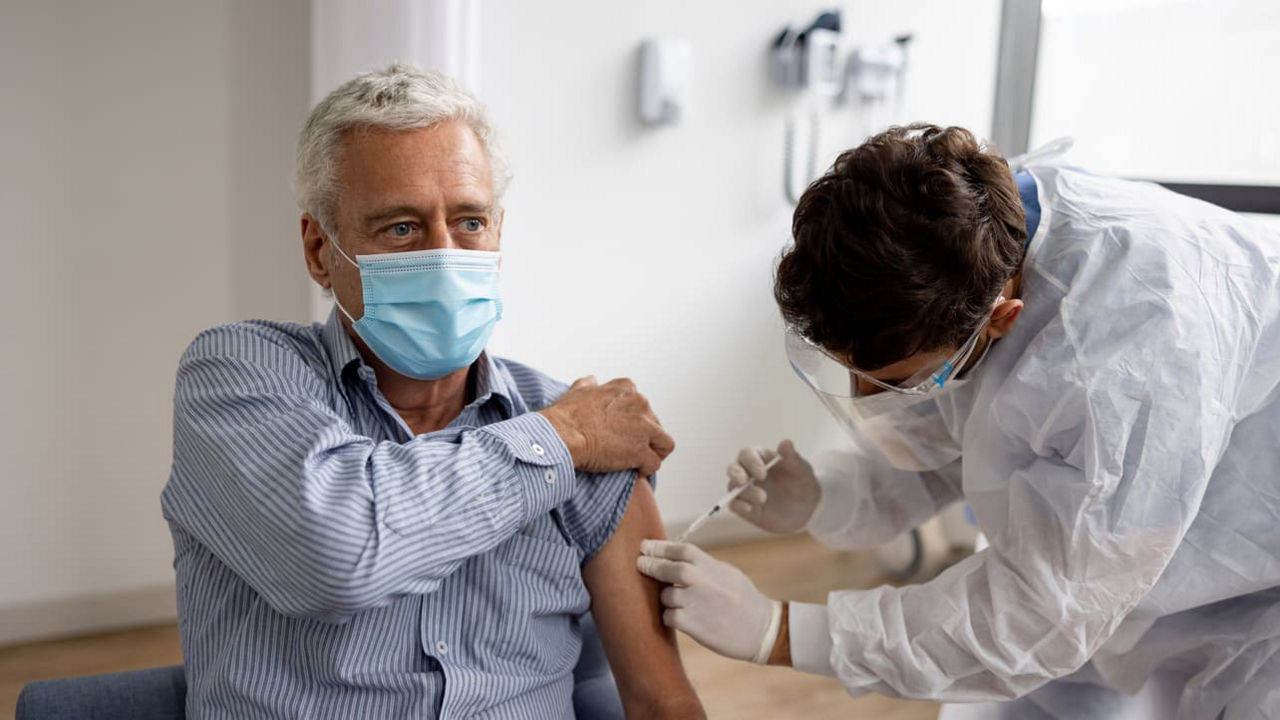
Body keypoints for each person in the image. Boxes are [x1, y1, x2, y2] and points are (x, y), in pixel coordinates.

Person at [638, 124, 1280, 718]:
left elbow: (1040, 618)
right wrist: (826, 495)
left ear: (1003, 318)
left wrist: (779, 630)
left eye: (892, 375)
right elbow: (962, 439)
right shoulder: (968, 231)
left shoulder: (1126, 359)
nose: (865, 396)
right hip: (1104, 570)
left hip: (1252, 604)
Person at [162, 64, 704, 719]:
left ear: (498, 234)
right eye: (401, 228)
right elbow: (336, 558)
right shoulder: (240, 375)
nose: (445, 255)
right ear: (318, 250)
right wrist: (563, 438)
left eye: (470, 221)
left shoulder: (588, 435)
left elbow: (660, 698)